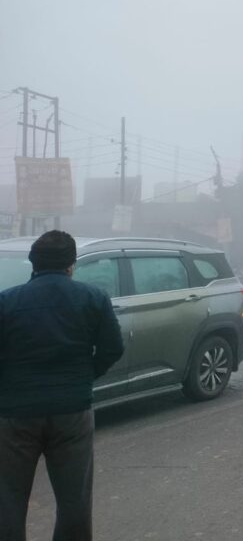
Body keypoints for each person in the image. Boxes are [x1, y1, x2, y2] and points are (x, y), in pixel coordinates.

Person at [0, 230, 125, 541]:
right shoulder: (93, 298)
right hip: (72, 411)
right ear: (71, 265)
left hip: (15, 413)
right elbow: (113, 348)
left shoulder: (6, 301)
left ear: (33, 264)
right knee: (74, 501)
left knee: (8, 499)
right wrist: (84, 377)